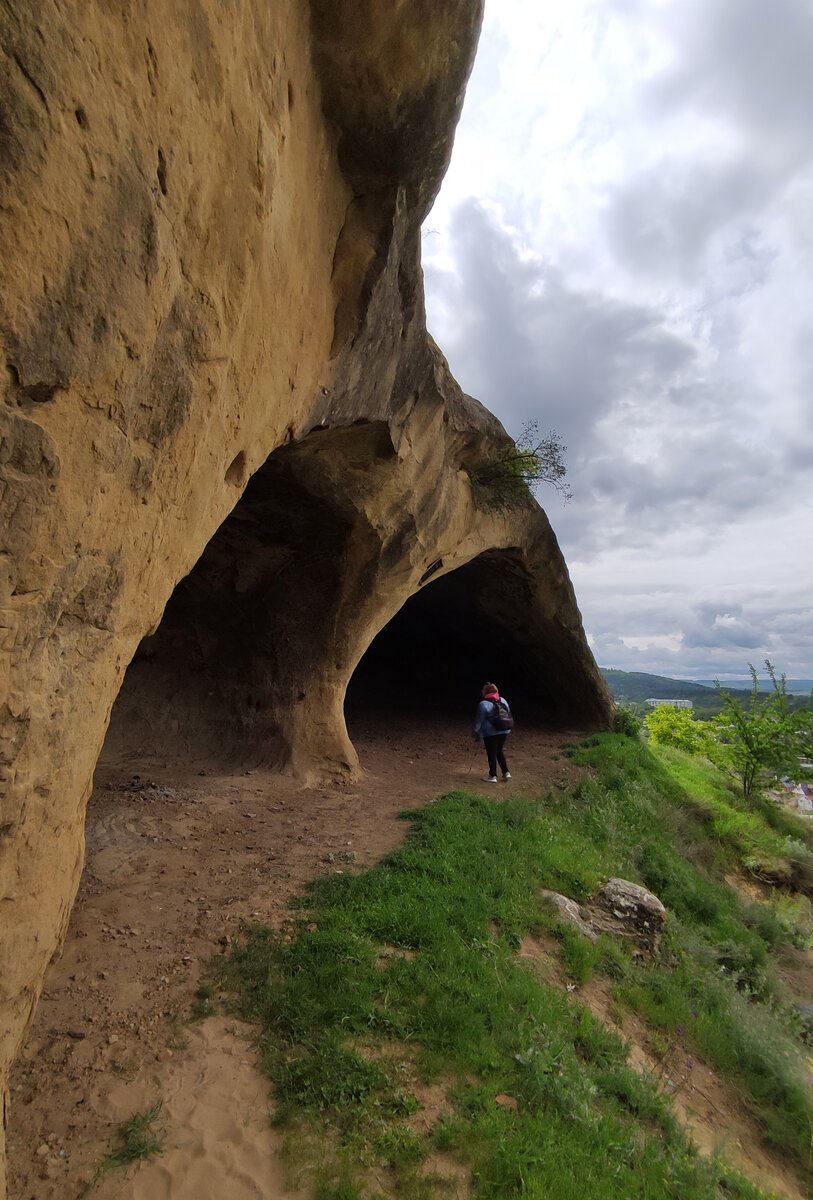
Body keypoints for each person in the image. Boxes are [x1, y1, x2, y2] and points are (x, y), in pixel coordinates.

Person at [472, 682, 512, 783]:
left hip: (491, 732)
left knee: (491, 753)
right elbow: (508, 713)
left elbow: (479, 721)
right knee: (499, 750)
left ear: (486, 692)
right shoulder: (503, 700)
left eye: (483, 689)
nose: (482, 691)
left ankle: (492, 775)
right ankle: (506, 772)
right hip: (505, 729)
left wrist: (476, 733)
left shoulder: (483, 704)